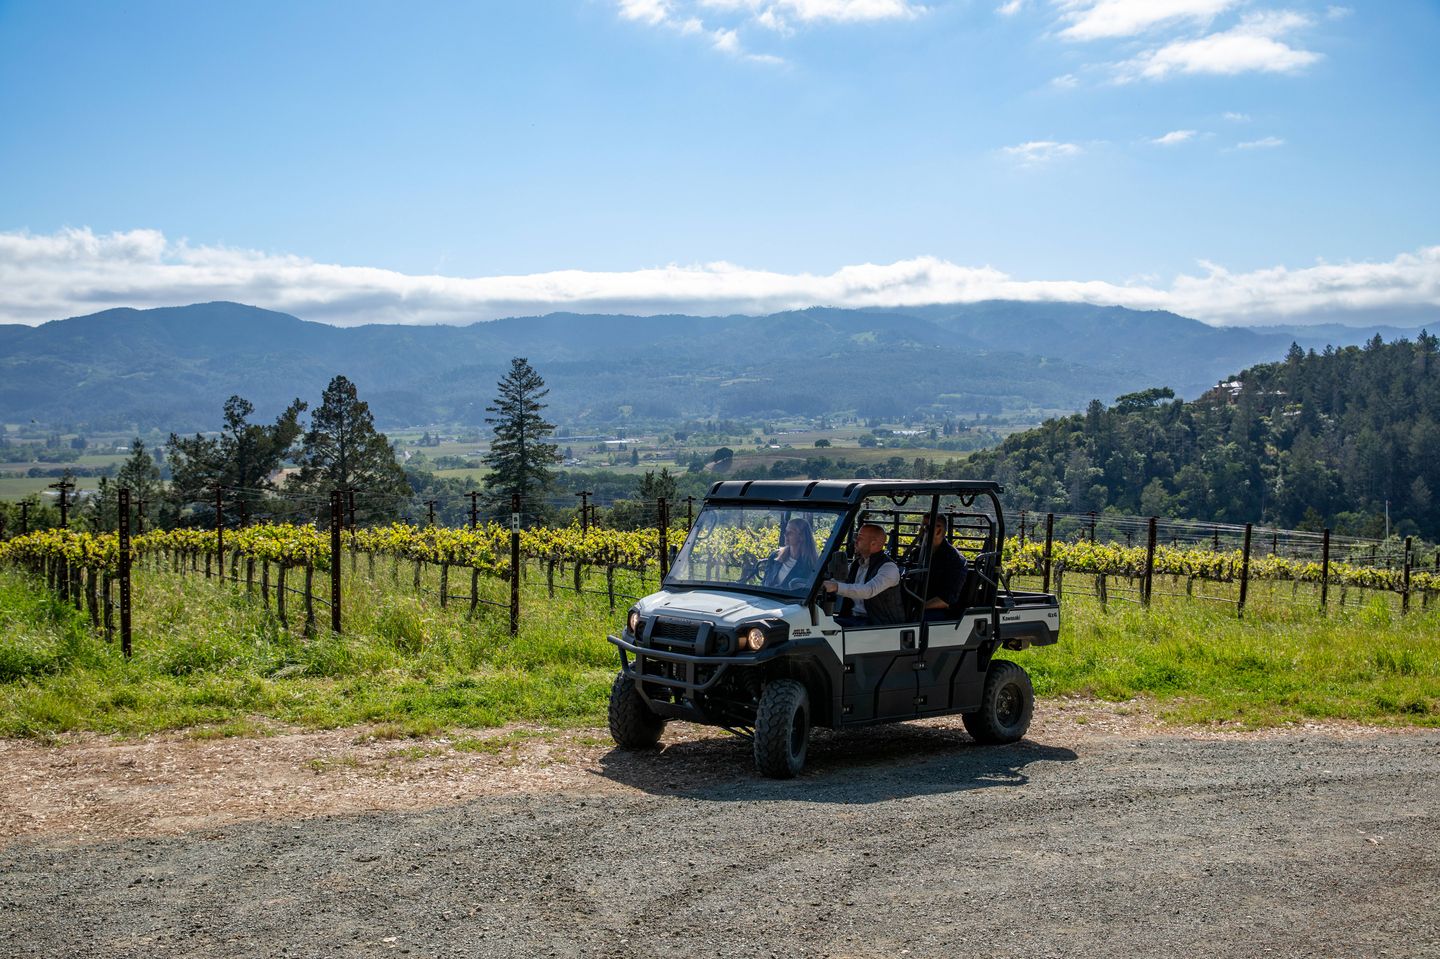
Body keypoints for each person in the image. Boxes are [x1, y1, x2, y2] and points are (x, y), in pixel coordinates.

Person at [822, 522, 904, 626]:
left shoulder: (888, 568)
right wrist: (819, 584)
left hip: (879, 624)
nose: (855, 541)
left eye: (860, 537)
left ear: (873, 544)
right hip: (854, 619)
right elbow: (840, 581)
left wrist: (835, 586)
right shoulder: (857, 564)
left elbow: (868, 591)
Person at [917, 516, 967, 619]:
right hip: (918, 605)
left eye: (925, 528)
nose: (920, 531)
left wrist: (918, 608)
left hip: (941, 612)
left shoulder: (955, 560)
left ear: (938, 531)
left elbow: (946, 600)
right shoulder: (918, 553)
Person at [763, 517, 819, 588]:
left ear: (801, 536)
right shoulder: (775, 556)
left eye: (790, 532)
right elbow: (764, 583)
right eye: (786, 531)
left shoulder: (810, 565)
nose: (785, 534)